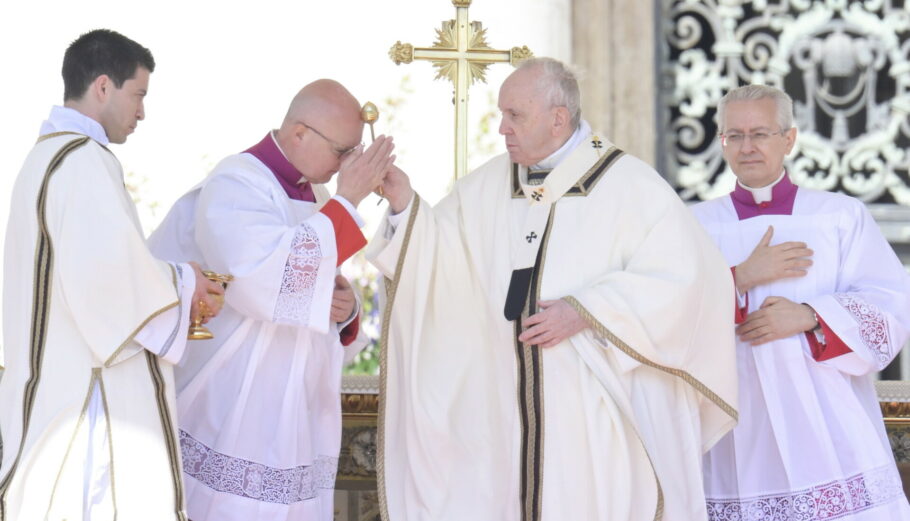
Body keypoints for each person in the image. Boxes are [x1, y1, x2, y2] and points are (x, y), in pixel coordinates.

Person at [368, 57, 738, 520]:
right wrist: (405, 204)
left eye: (515, 116)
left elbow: (689, 280)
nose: (502, 128)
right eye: (501, 114)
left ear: (558, 118)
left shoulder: (629, 185)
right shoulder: (486, 185)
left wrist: (587, 311)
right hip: (503, 410)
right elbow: (437, 257)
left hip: (591, 411)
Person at [0, 29, 225, 521]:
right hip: (84, 411)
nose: (142, 112)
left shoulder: (44, 159)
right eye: (138, 94)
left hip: (52, 393)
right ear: (104, 86)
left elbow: (97, 273)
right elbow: (110, 286)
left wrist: (167, 277)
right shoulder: (81, 162)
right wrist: (185, 282)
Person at [147, 79, 393, 521]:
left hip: (290, 412)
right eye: (343, 153)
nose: (345, 168)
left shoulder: (312, 193)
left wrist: (345, 308)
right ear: (300, 133)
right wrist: (350, 199)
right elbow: (262, 283)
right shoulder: (237, 182)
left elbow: (312, 283)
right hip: (234, 409)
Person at [692, 84, 910, 520]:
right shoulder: (693, 223)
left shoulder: (839, 217)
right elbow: (663, 312)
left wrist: (810, 316)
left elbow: (890, 306)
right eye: (734, 135)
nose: (747, 147)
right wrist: (738, 280)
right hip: (736, 424)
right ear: (721, 142)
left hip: (826, 422)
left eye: (760, 133)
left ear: (788, 139)